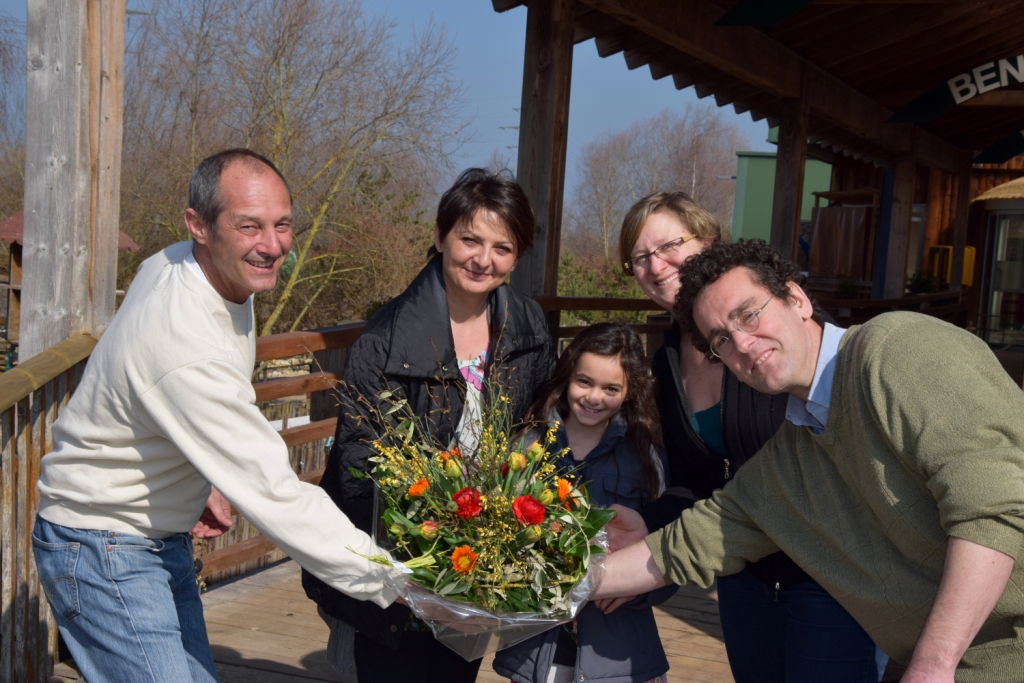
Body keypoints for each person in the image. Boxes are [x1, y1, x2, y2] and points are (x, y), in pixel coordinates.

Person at [32, 149, 397, 683]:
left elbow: (141, 394)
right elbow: (274, 493)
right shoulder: (183, 339)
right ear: (198, 225)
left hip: (156, 533)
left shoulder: (184, 264)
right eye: (248, 226)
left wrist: (194, 471)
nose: (272, 245)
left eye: (282, 224)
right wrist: (393, 580)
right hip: (101, 540)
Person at [596, 239, 1024, 682]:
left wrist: (933, 663)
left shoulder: (897, 348)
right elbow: (695, 541)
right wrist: (565, 583)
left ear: (797, 298)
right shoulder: (796, 448)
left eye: (749, 314)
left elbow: (992, 509)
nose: (742, 343)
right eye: (721, 339)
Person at [612, 192, 885, 681]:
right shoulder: (668, 360)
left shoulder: (772, 335)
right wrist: (646, 522)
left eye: (669, 245)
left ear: (709, 240)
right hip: (742, 574)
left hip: (828, 570)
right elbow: (699, 481)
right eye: (639, 258)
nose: (655, 265)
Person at [303, 168, 556, 683]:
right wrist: (428, 532)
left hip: (479, 556)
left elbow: (539, 426)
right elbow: (358, 459)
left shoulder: (527, 326)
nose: (483, 259)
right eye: (470, 240)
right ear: (440, 237)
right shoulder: (385, 338)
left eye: (503, 248)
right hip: (401, 557)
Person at [492, 323, 674, 683]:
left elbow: (672, 549)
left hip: (618, 652)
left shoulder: (646, 456)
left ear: (629, 391)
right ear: (567, 377)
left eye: (611, 389)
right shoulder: (527, 445)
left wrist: (636, 588)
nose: (594, 397)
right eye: (584, 382)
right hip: (536, 648)